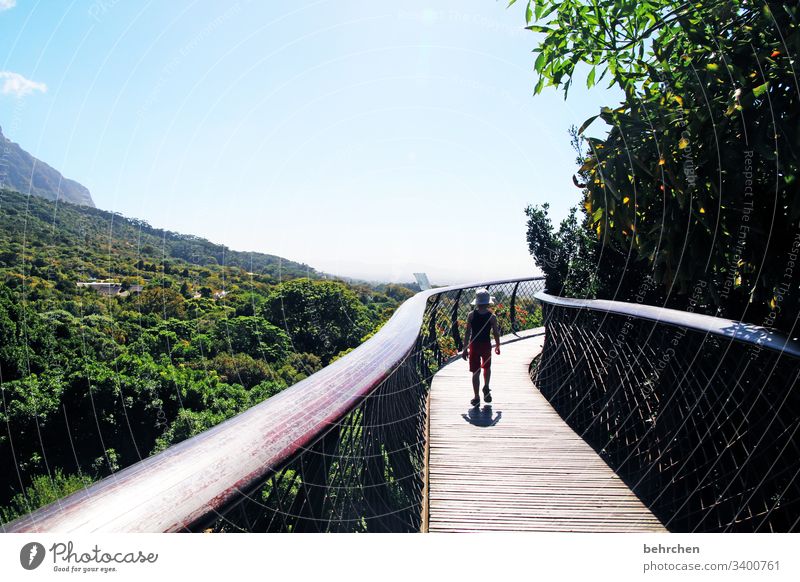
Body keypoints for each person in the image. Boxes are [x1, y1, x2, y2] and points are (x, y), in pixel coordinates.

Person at [460, 288, 501, 406]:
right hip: (486, 346)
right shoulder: (492, 317)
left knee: (475, 372)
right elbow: (496, 333)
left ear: (477, 303)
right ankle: (486, 386)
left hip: (474, 345)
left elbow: (468, 332)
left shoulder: (471, 315)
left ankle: (476, 396)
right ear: (488, 303)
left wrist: (464, 348)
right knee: (487, 368)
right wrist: (497, 345)